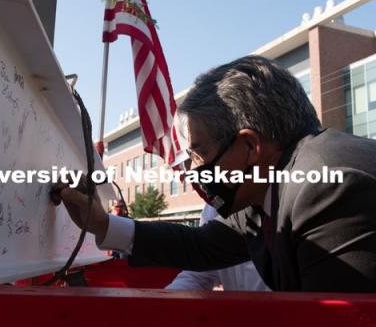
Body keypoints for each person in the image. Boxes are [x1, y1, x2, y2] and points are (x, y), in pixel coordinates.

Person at [51, 55, 376, 292]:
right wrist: (102, 225)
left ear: (250, 146)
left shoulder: (328, 187)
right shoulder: (262, 193)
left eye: (200, 153)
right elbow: (200, 246)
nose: (192, 170)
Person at [166, 204, 270, 291]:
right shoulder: (214, 206)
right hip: (237, 311)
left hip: (281, 312)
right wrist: (165, 304)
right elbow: (201, 271)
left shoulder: (280, 200)